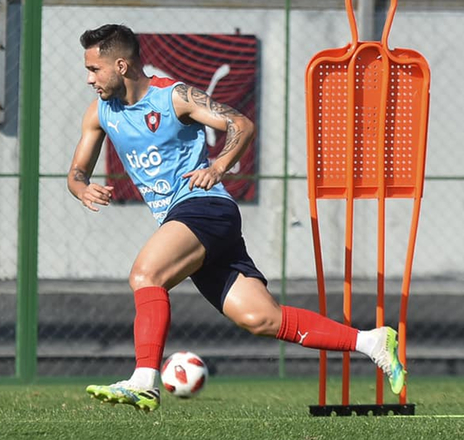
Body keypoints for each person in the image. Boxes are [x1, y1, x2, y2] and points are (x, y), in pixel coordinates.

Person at [68, 24, 406, 412]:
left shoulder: (173, 97)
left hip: (204, 207)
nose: (89, 78)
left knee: (146, 275)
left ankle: (145, 380)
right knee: (261, 318)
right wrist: (81, 187)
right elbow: (77, 171)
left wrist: (220, 165)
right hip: (185, 222)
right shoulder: (100, 113)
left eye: (94, 69)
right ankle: (371, 341)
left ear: (122, 65)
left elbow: (240, 124)